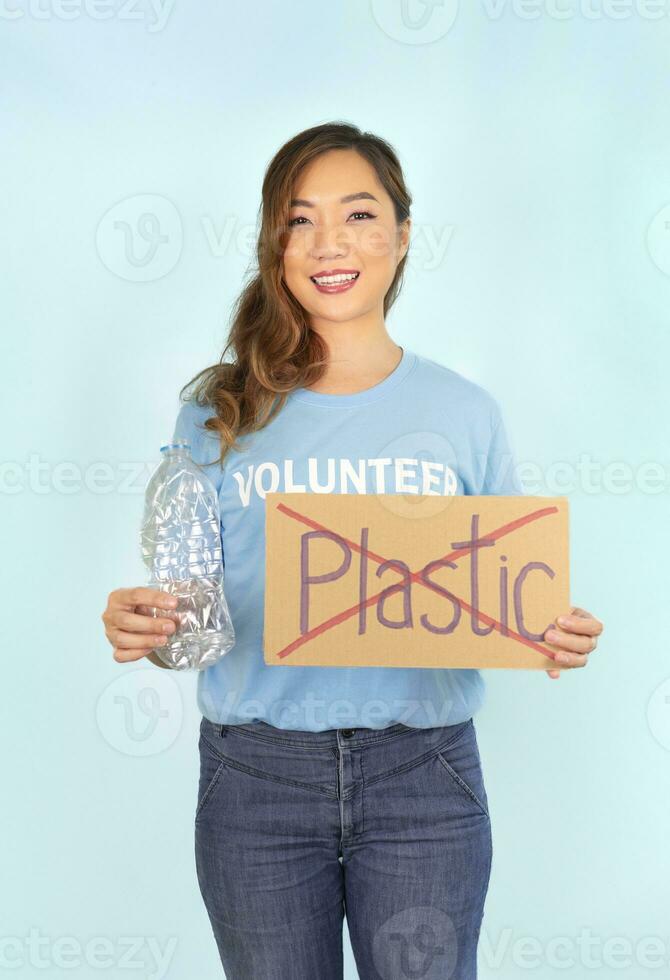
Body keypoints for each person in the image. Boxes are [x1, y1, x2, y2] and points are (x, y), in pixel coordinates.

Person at [101, 122, 604, 979]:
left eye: (361, 214)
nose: (330, 243)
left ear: (403, 237)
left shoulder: (464, 412)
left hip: (424, 774)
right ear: (275, 244)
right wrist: (146, 629)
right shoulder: (217, 411)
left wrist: (548, 632)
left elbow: (505, 589)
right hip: (256, 775)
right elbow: (190, 622)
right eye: (300, 220)